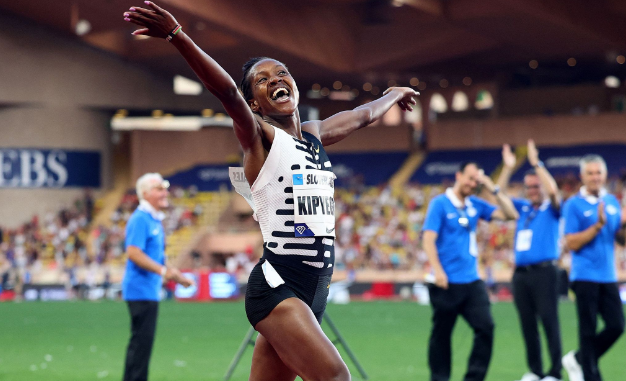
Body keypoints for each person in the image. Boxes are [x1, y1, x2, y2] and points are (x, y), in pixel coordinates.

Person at [123, 3, 419, 381]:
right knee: (336, 377)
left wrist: (393, 93)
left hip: (314, 290)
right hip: (279, 287)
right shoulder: (260, 138)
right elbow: (227, 92)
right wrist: (177, 35)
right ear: (254, 103)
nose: (276, 79)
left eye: (282, 73)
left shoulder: (313, 135)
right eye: (263, 81)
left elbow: (362, 115)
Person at [422, 161, 519, 381]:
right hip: (445, 282)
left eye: (477, 180)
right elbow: (428, 239)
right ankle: (439, 378)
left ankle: (473, 378)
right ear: (459, 176)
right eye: (470, 178)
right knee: (441, 335)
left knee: (486, 327)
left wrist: (492, 186)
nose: (473, 183)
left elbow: (511, 215)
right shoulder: (440, 204)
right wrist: (438, 271)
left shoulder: (475, 204)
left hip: (472, 281)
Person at [497, 141, 562, 381]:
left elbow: (554, 191)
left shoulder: (552, 208)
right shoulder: (524, 208)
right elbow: (498, 195)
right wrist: (506, 168)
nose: (532, 190)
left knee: (549, 321)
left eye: (536, 186)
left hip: (545, 272)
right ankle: (535, 371)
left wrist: (537, 164)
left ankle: (554, 372)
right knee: (527, 326)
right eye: (529, 187)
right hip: (521, 274)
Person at [122, 172, 193, 381]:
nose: (165, 192)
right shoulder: (141, 219)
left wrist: (176, 276)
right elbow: (133, 252)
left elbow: (159, 256)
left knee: (142, 345)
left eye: (165, 188)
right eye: (159, 189)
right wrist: (164, 272)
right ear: (145, 194)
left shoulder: (153, 219)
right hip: (140, 290)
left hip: (148, 290)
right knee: (140, 346)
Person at [561, 155, 625, 381]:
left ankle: (579, 359)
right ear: (582, 176)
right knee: (587, 331)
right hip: (585, 275)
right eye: (590, 173)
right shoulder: (573, 205)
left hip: (608, 275)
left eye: (598, 172)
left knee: (617, 326)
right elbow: (571, 243)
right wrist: (597, 226)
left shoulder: (612, 202)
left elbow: (619, 239)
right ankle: (590, 376)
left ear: (605, 175)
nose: (595, 177)